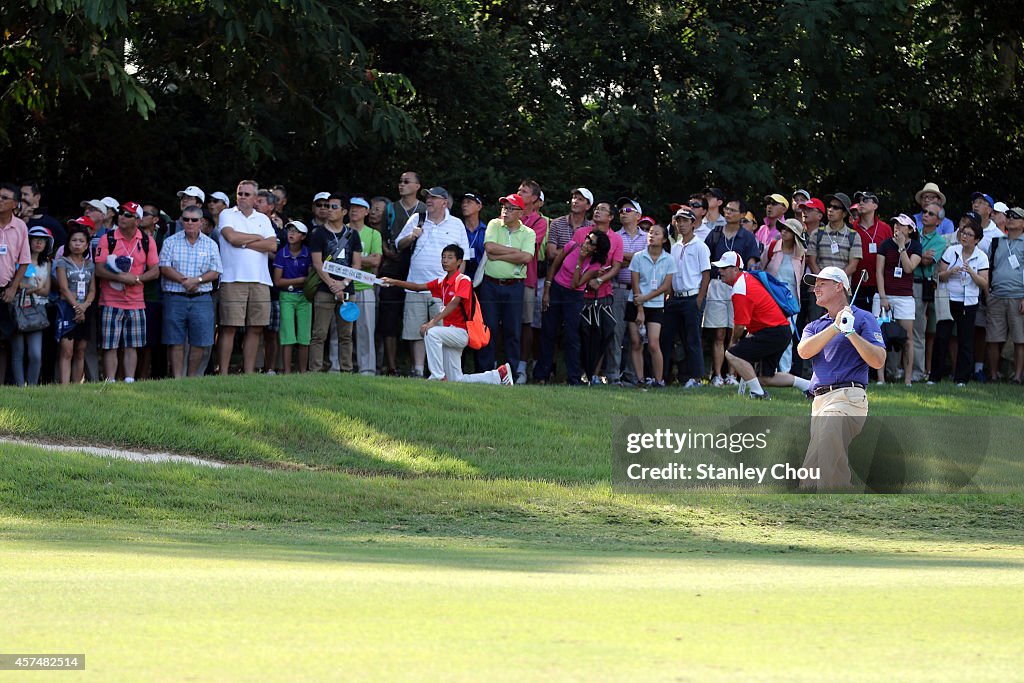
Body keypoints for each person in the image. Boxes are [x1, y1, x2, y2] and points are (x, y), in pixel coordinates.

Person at [797, 267, 886, 491]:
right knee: (810, 475)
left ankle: (836, 501)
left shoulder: (864, 318)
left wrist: (851, 333)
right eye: (814, 284)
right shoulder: (814, 326)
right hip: (820, 402)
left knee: (828, 445)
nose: (815, 288)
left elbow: (878, 360)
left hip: (848, 398)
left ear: (839, 287)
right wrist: (835, 327)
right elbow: (804, 351)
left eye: (822, 283)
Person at [382, 244, 514, 385]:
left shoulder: (463, 280)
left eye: (450, 258)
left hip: (463, 332)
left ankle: (437, 376)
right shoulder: (442, 282)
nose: (445, 260)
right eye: (443, 257)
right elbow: (418, 287)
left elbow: (454, 302)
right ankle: (499, 375)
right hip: (451, 332)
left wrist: (433, 322)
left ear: (459, 262)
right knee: (456, 379)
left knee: (430, 332)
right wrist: (394, 281)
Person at [716, 251, 813, 399]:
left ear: (736, 269)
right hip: (779, 331)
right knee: (764, 378)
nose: (720, 271)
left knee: (731, 353)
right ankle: (808, 385)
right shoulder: (746, 279)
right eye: (720, 268)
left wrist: (733, 343)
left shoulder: (739, 289)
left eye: (724, 268)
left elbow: (740, 326)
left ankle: (758, 393)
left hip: (773, 332)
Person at [396, 186, 468, 377]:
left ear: (444, 202)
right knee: (416, 331)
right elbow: (398, 244)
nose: (429, 200)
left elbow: (464, 259)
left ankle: (442, 372)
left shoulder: (456, 224)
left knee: (442, 331)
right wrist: (412, 236)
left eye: (434, 197)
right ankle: (419, 371)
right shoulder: (417, 219)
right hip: (415, 285)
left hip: (444, 290)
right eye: (427, 197)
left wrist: (456, 288)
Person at [217, 180, 280, 375]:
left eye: (246, 194)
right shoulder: (227, 214)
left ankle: (249, 373)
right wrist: (257, 238)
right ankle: (224, 373)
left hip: (260, 280)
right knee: (229, 328)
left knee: (256, 328)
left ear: (255, 198)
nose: (242, 197)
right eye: (239, 193)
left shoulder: (263, 219)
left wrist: (244, 241)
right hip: (232, 279)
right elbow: (231, 238)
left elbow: (272, 246)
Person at [94, 201, 161, 382]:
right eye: (121, 213)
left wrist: (137, 279)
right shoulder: (108, 238)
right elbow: (99, 269)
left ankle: (129, 380)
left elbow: (155, 271)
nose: (122, 216)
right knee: (110, 345)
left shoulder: (147, 241)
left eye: (128, 214)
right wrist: (121, 278)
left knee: (133, 345)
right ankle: (110, 380)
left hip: (136, 301)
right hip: (110, 300)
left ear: (137, 221)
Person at [536, 230, 610, 385]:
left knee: (572, 337)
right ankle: (541, 375)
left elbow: (576, 284)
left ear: (596, 249)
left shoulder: (595, 266)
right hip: (556, 289)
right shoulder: (571, 245)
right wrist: (546, 292)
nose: (586, 243)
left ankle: (573, 378)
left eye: (591, 242)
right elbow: (555, 265)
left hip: (574, 296)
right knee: (548, 332)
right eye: (587, 238)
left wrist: (580, 261)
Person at [159, 204, 223, 378]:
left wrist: (198, 280)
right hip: (175, 296)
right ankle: (178, 379)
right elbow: (164, 267)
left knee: (200, 342)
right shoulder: (170, 241)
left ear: (201, 222)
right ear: (181, 220)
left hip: (201, 297)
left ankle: (192, 378)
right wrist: (184, 281)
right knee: (175, 341)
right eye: (186, 219)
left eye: (194, 220)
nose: (189, 223)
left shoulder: (210, 244)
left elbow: (216, 271)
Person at [704, 198, 760, 386]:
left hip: (739, 286)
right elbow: (706, 259)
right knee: (719, 334)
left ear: (742, 215)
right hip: (717, 285)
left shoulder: (747, 236)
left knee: (735, 332)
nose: (728, 212)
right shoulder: (716, 233)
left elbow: (752, 262)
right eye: (726, 209)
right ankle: (717, 375)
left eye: (733, 210)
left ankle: (732, 375)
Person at [930, 212, 989, 386]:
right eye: (963, 233)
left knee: (965, 340)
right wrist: (950, 272)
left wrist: (971, 272)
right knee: (941, 337)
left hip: (968, 303)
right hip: (948, 300)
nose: (964, 237)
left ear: (976, 240)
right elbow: (940, 275)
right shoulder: (951, 251)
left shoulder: (982, 256)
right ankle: (934, 377)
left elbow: (984, 283)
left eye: (969, 235)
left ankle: (962, 378)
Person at [479, 193, 534, 375]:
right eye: (504, 207)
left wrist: (499, 255)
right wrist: (514, 252)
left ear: (521, 212)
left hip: (514, 286)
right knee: (489, 328)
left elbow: (526, 257)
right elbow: (489, 248)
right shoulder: (494, 224)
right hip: (491, 285)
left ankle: (511, 372)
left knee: (513, 330)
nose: (505, 211)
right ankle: (486, 370)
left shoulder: (528, 233)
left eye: (511, 208)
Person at [308, 193, 362, 372]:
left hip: (348, 289)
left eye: (333, 207)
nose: (328, 210)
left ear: (344, 211)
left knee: (346, 335)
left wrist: (344, 283)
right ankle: (315, 371)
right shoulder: (318, 233)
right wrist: (332, 284)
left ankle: (346, 371)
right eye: (326, 206)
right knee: (319, 334)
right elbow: (317, 263)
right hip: (324, 289)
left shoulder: (353, 234)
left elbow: (356, 263)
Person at [661, 207, 710, 388]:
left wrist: (699, 299)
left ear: (693, 224)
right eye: (678, 221)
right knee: (666, 337)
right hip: (675, 298)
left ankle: (695, 377)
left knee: (692, 338)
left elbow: (706, 274)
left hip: (692, 297)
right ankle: (662, 376)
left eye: (685, 221)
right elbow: (673, 273)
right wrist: (670, 295)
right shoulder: (675, 247)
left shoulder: (700, 246)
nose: (681, 225)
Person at [874, 214, 923, 386]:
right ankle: (881, 379)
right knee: (878, 336)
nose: (896, 227)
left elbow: (909, 268)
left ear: (910, 230)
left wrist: (902, 247)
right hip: (884, 295)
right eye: (895, 224)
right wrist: (882, 297)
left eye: (901, 225)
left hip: (905, 297)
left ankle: (908, 380)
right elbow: (878, 271)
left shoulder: (916, 246)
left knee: (908, 338)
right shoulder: (885, 245)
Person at [627, 224, 676, 387]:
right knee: (636, 342)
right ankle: (640, 380)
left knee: (654, 343)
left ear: (663, 239)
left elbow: (665, 286)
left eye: (656, 234)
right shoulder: (638, 257)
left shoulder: (669, 259)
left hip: (655, 304)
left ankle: (659, 380)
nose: (651, 236)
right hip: (635, 302)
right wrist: (640, 307)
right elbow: (635, 283)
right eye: (650, 233)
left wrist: (645, 298)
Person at [611, 197, 648, 385]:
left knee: (636, 338)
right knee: (615, 334)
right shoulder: (614, 236)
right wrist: (632, 259)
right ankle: (613, 375)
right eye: (621, 211)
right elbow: (613, 260)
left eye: (628, 210)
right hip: (617, 289)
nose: (622, 213)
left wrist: (624, 259)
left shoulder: (647, 238)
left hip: (639, 292)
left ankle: (632, 376)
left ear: (638, 216)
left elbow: (647, 262)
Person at [10, 226, 53, 386]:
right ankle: (21, 388)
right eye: (35, 239)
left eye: (42, 240)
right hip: (17, 308)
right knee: (17, 352)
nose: (39, 242)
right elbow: (13, 284)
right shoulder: (16, 260)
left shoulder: (46, 264)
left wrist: (26, 287)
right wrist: (34, 288)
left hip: (37, 310)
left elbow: (46, 291)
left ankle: (33, 387)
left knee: (36, 354)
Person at [985, 207, 1024, 384]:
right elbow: (988, 268)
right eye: (1008, 215)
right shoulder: (996, 242)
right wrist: (987, 293)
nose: (1010, 218)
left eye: (1016, 216)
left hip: (1018, 296)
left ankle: (1017, 376)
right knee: (993, 338)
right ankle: (993, 375)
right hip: (996, 296)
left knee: (1019, 338)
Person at [911, 202, 948, 382]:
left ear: (938, 221)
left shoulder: (940, 241)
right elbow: (920, 257)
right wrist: (921, 254)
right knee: (899, 328)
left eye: (931, 214)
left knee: (918, 330)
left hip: (920, 285)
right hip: (903, 283)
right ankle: (896, 370)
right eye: (924, 212)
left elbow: (926, 261)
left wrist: (917, 255)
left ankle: (917, 373)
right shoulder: (914, 232)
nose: (925, 215)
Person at [55, 222, 96, 384]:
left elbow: (92, 289)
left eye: (81, 241)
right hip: (67, 307)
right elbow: (63, 288)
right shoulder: (62, 262)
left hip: (85, 309)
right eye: (74, 241)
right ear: (68, 243)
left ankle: (76, 386)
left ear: (86, 245)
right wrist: (77, 307)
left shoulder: (90, 265)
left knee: (81, 350)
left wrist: (84, 306)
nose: (77, 244)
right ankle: (65, 387)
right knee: (67, 350)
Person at [764, 218, 806, 374]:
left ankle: (785, 372)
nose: (783, 231)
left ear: (795, 234)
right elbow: (761, 270)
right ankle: (770, 370)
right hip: (771, 298)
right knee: (771, 334)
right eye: (782, 228)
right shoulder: (772, 248)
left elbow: (800, 278)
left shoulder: (801, 254)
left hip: (791, 300)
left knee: (787, 336)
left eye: (788, 230)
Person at [0, 181, 31, 385]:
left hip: (4, 290)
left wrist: (13, 288)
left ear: (15, 204)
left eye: (4, 198)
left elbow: (24, 261)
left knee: (2, 341)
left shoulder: (20, 226)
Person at [272, 220, 313, 374]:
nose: (291, 234)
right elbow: (278, 281)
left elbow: (311, 279)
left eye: (296, 231)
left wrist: (293, 282)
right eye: (290, 230)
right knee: (287, 335)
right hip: (286, 297)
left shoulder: (308, 253)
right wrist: (301, 281)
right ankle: (287, 372)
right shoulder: (281, 253)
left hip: (305, 298)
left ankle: (303, 372)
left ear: (303, 236)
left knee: (304, 336)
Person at [348, 196, 382, 376]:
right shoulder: (342, 231)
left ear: (366, 212)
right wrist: (362, 261)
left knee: (366, 331)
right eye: (352, 207)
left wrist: (350, 260)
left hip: (365, 287)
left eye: (359, 207)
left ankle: (367, 369)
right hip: (341, 288)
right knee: (340, 331)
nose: (355, 210)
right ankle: (338, 366)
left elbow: (376, 260)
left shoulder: (373, 234)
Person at [851, 191, 893, 312]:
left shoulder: (885, 228)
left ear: (875, 205)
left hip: (879, 284)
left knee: (876, 322)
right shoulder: (852, 228)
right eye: (859, 201)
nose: (860, 203)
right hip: (856, 282)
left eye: (865, 200)